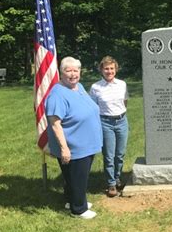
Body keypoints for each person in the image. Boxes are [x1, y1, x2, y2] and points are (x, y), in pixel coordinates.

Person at [46, 56, 102, 219]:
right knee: (77, 176)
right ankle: (78, 209)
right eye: (68, 70)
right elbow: (55, 123)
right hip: (74, 145)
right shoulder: (57, 94)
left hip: (85, 143)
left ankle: (74, 200)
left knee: (76, 177)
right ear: (61, 73)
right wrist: (64, 148)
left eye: (75, 70)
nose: (72, 74)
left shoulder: (78, 87)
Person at [90, 56, 129, 197]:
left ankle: (117, 177)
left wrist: (120, 115)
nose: (109, 71)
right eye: (106, 68)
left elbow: (125, 102)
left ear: (116, 69)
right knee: (109, 155)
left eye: (112, 68)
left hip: (122, 121)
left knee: (120, 154)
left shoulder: (122, 84)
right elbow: (93, 108)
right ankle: (111, 183)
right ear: (101, 70)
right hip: (105, 123)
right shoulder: (96, 87)